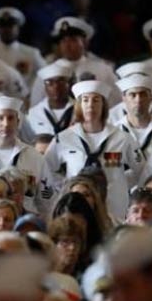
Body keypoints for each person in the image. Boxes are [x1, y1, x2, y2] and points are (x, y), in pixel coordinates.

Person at [43, 80, 143, 220]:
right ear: (79, 105)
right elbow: (46, 169)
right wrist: (66, 184)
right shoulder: (64, 138)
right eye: (85, 100)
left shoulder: (122, 137)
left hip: (113, 204)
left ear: (103, 105)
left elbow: (142, 169)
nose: (90, 105)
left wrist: (122, 182)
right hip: (76, 202)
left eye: (96, 100)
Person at [29, 17, 118, 107]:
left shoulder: (102, 69)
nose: (67, 45)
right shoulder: (46, 73)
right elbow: (36, 105)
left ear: (85, 43)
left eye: (73, 40)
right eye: (63, 41)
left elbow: (116, 100)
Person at [114, 75, 152, 167]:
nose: (138, 100)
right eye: (133, 95)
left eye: (143, 94)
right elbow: (111, 170)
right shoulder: (113, 134)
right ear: (124, 98)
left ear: (151, 97)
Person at [0, 7, 46, 85]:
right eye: (3, 25)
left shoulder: (31, 53)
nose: (7, 29)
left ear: (18, 28)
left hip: (24, 95)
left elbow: (45, 75)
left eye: (11, 25)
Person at [26, 63, 74, 138]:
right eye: (50, 83)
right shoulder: (34, 113)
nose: (56, 87)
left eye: (61, 82)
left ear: (68, 85)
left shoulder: (80, 110)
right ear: (45, 87)